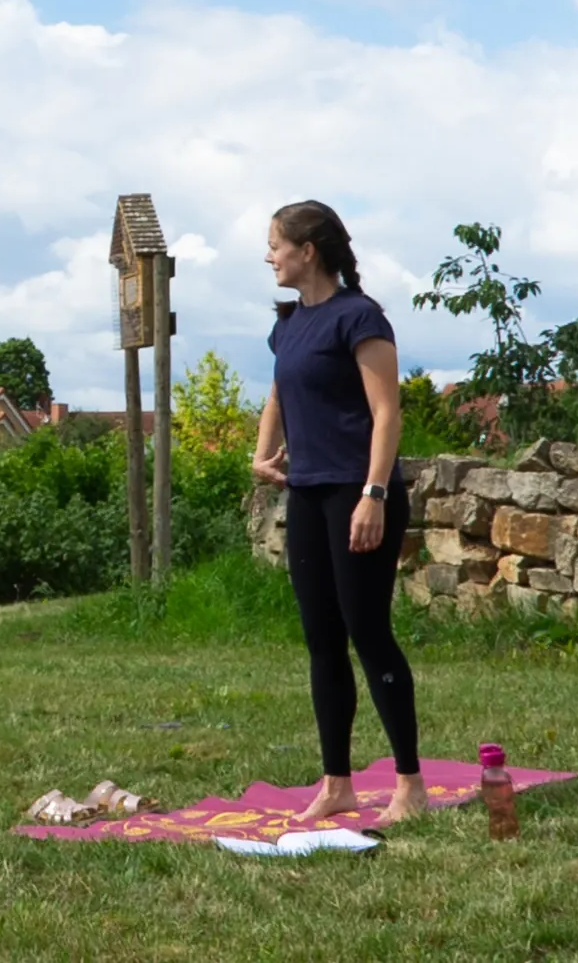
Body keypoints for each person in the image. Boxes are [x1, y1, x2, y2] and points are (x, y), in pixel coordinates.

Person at [252, 199, 427, 826]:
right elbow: (279, 388)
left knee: (368, 634)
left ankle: (409, 783)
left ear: (309, 251)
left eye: (275, 244)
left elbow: (387, 414)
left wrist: (374, 496)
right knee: (322, 642)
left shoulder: (360, 317)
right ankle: (338, 783)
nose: (268, 255)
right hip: (307, 494)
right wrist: (263, 450)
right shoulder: (289, 323)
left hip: (361, 494)